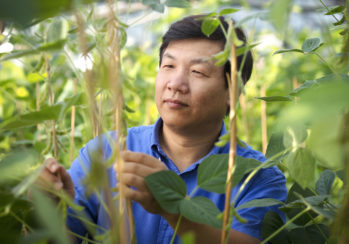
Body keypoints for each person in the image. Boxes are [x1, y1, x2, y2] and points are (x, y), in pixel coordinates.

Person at [39, 14, 287, 244]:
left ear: (233, 91)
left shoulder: (257, 177)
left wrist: (172, 207)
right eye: (168, 66)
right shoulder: (106, 151)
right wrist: (52, 207)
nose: (176, 84)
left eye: (197, 72)